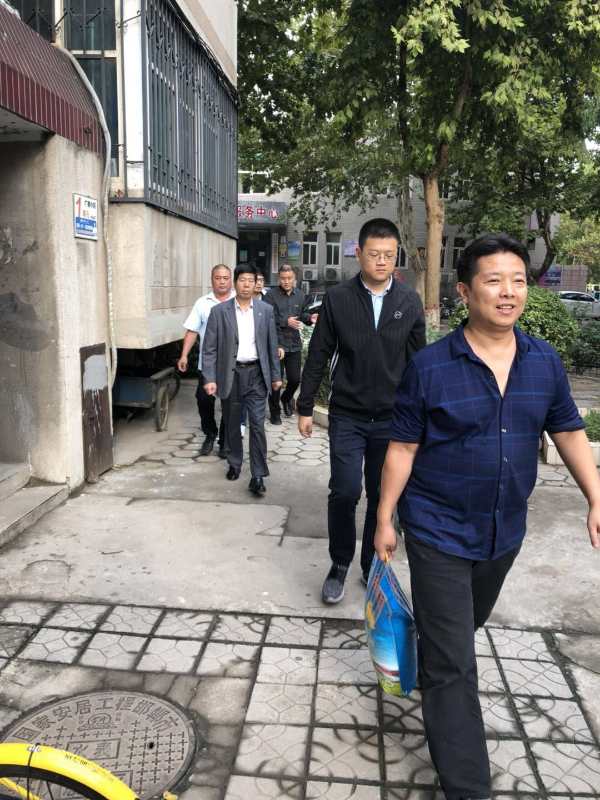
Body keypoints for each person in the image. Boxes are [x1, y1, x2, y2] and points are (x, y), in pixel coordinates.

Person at [374, 233, 600, 800]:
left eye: (518, 280)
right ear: (464, 291)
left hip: (504, 532)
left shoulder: (543, 362)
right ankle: (468, 787)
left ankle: (432, 645)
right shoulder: (431, 366)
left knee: (461, 627)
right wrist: (384, 518)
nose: (508, 292)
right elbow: (402, 447)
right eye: (494, 280)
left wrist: (596, 497)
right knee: (454, 665)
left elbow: (568, 431)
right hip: (437, 529)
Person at [297, 218, 426, 603]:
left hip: (391, 419)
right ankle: (339, 562)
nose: (382, 261)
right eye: (374, 254)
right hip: (348, 415)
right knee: (345, 490)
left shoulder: (409, 301)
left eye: (389, 255)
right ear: (359, 254)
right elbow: (318, 352)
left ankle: (371, 565)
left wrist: (425, 414)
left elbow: (419, 362)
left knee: (381, 494)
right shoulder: (338, 299)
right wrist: (305, 406)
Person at [202, 264, 282, 496]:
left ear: (256, 284)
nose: (247, 285)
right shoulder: (219, 312)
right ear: (235, 283)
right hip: (231, 374)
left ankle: (258, 475)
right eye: (242, 280)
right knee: (233, 422)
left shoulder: (265, 310)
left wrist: (276, 375)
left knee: (257, 424)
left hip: (257, 374)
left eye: (251, 280)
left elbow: (271, 345)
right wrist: (209, 377)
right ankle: (235, 463)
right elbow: (209, 349)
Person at [177, 264, 234, 457]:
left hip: (231, 365)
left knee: (229, 403)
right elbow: (192, 330)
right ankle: (210, 433)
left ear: (231, 280)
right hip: (208, 364)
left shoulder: (238, 300)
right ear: (212, 280)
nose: (222, 282)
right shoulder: (202, 303)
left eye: (225, 278)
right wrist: (184, 355)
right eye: (218, 278)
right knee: (203, 400)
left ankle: (225, 440)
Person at [264, 265, 316, 423]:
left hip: (294, 343)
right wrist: (285, 321)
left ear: (294, 279)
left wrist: (310, 318)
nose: (286, 281)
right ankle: (275, 412)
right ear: (278, 278)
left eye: (289, 278)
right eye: (283, 278)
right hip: (276, 344)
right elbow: (267, 319)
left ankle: (286, 399)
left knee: (295, 379)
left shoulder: (300, 295)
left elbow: (303, 314)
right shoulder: (270, 296)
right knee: (276, 381)